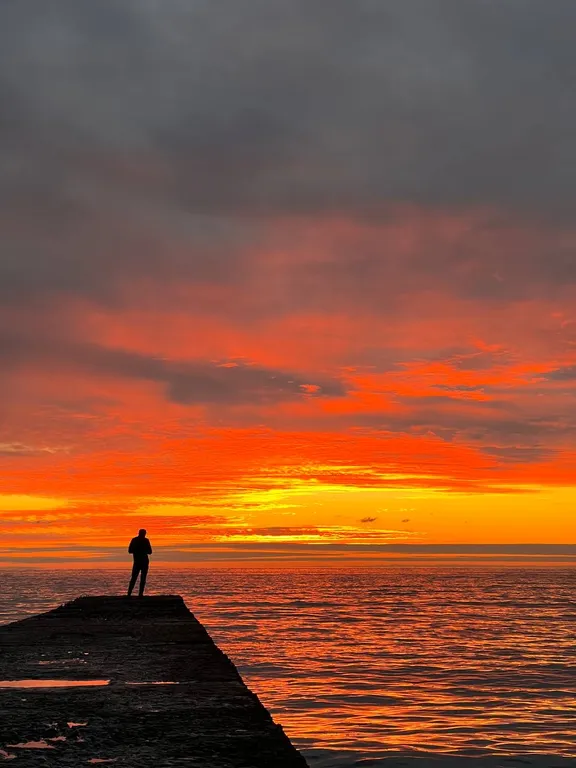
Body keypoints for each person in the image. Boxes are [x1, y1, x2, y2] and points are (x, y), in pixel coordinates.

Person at [127, 528, 152, 597]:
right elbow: (130, 550)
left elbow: (150, 551)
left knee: (141, 578)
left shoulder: (144, 540)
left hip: (142, 561)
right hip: (139, 561)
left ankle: (138, 594)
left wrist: (140, 550)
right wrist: (141, 550)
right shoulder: (136, 540)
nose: (144, 535)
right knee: (135, 578)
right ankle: (130, 593)